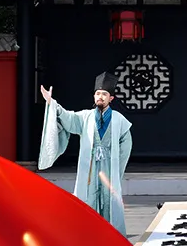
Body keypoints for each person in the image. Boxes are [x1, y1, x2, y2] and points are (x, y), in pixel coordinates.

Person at [38, 71, 132, 235]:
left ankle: (112, 235)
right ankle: (88, 233)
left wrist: (117, 167)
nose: (100, 97)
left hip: (109, 165)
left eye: (104, 94)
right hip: (89, 166)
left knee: (109, 199)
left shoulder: (119, 119)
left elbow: (126, 145)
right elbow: (68, 118)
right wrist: (52, 103)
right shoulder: (85, 117)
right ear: (94, 96)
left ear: (111, 98)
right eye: (98, 94)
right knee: (88, 196)